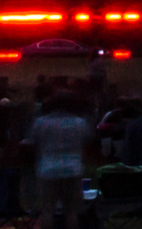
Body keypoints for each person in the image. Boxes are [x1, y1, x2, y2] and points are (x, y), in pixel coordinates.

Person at [25, 93, 94, 229]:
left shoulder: (41, 123)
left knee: (47, 211)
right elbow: (88, 143)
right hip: (73, 169)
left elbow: (31, 144)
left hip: (47, 170)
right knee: (72, 212)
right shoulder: (79, 122)